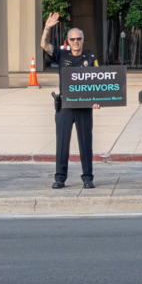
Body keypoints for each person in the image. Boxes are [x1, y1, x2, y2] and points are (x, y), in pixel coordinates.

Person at [41, 12, 100, 190]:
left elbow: (98, 82)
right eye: (72, 39)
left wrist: (97, 100)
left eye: (78, 39)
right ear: (68, 41)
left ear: (83, 40)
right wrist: (47, 28)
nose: (76, 42)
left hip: (84, 107)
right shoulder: (61, 54)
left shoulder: (90, 59)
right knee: (62, 144)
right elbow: (44, 45)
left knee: (85, 143)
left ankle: (88, 177)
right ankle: (60, 178)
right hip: (65, 106)